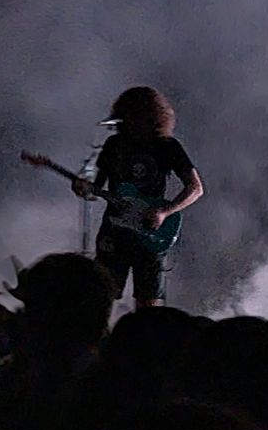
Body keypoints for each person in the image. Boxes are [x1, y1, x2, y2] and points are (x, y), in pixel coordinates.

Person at [73, 87, 203, 308]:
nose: (128, 124)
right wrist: (83, 189)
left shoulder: (167, 147)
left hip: (148, 232)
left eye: (134, 118)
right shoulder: (114, 145)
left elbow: (195, 188)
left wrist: (165, 212)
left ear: (149, 117)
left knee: (147, 304)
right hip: (114, 232)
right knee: (100, 297)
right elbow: (96, 188)